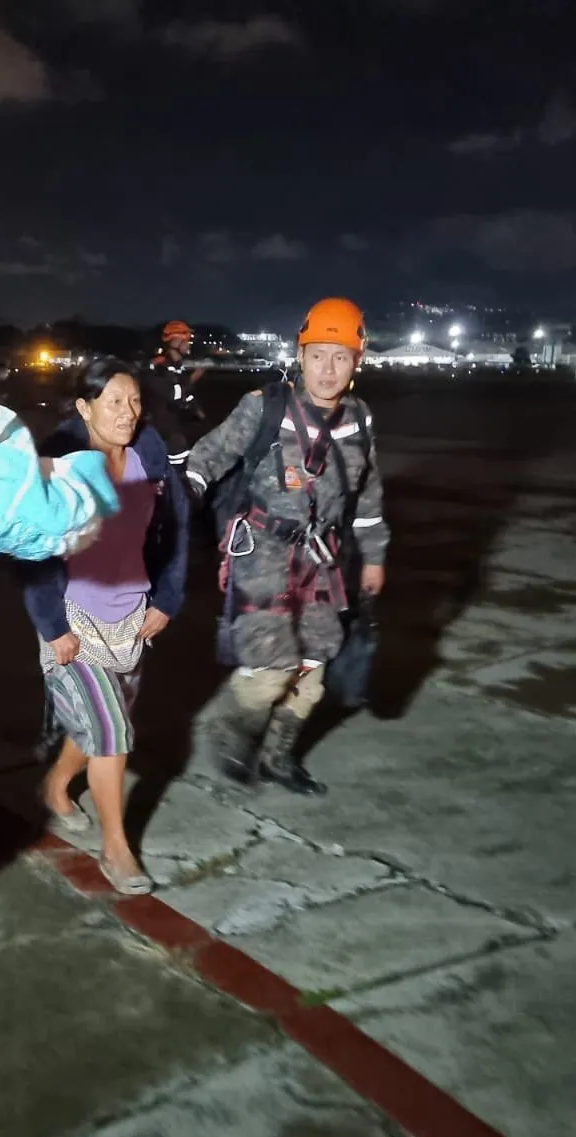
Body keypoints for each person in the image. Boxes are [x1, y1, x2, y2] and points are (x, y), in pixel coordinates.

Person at [184, 297, 387, 794]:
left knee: (315, 662)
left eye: (341, 356)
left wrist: (375, 556)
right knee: (273, 665)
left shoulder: (359, 420)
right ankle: (227, 727)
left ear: (357, 362)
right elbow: (208, 455)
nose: (328, 368)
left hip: (322, 557)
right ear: (301, 356)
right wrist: (180, 500)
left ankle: (278, 757)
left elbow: (369, 495)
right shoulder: (265, 407)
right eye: (318, 354)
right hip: (262, 551)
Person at [22, 359, 190, 894]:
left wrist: (167, 598)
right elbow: (33, 552)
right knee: (113, 734)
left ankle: (55, 784)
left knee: (97, 727)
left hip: (133, 619)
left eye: (135, 401)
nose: (127, 413)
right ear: (84, 407)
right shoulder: (60, 465)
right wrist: (52, 626)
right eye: (114, 402)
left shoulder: (151, 460)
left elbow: (178, 531)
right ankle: (117, 851)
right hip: (73, 617)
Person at [139, 319, 206, 470]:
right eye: (186, 340)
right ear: (175, 342)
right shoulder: (158, 366)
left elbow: (184, 394)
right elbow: (172, 394)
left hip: (174, 425)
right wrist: (192, 380)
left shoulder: (177, 366)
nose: (189, 344)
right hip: (162, 428)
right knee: (176, 470)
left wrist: (196, 410)